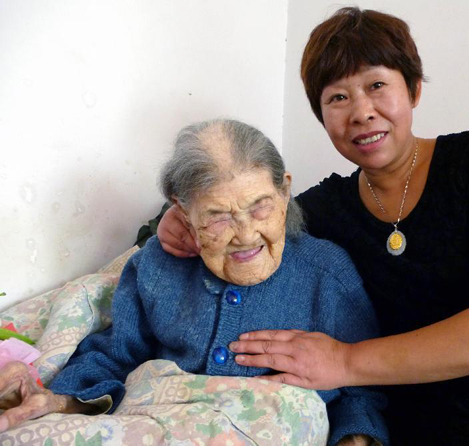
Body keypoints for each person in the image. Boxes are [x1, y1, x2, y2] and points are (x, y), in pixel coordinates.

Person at [153, 7, 469, 445]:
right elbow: (249, 213)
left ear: (414, 89)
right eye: (338, 97)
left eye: (377, 85)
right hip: (433, 421)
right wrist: (176, 217)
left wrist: (344, 361)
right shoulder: (328, 209)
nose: (362, 112)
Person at [0, 119, 389, 446]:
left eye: (260, 206)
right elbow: (116, 356)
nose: (246, 234)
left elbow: (362, 393)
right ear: (182, 212)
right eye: (218, 216)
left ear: (285, 190)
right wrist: (62, 401)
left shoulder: (326, 273)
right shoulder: (155, 266)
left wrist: (355, 438)